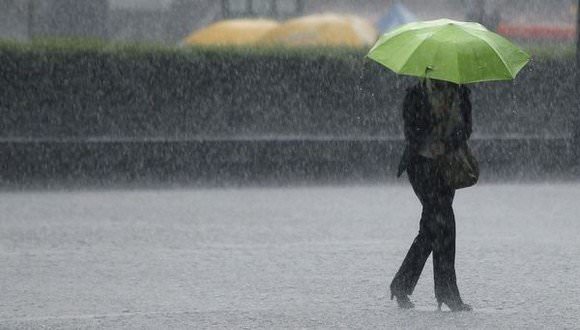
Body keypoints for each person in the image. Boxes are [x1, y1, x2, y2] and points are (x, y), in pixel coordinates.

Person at [390, 78, 473, 312]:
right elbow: (411, 130)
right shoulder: (416, 93)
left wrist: (449, 141)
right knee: (444, 223)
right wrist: (430, 140)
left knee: (431, 229)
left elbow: (466, 129)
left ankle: (402, 285)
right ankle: (447, 292)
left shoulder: (461, 93)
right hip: (421, 166)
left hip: (447, 166)